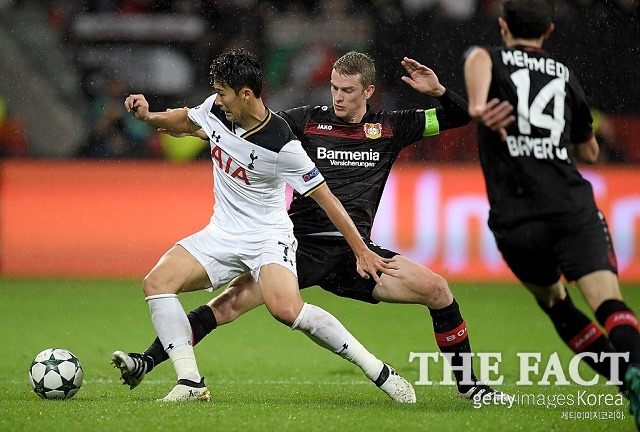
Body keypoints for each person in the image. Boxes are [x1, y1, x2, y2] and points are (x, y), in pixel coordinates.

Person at [113, 51, 514, 402]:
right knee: (229, 305)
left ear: (369, 92)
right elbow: (240, 130)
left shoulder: (392, 127)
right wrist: (169, 121)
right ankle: (151, 361)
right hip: (300, 247)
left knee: (437, 290)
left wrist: (440, 92)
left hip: (356, 253)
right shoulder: (303, 122)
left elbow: (462, 118)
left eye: (348, 91)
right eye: (334, 88)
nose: (338, 97)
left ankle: (470, 386)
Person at [463, 0, 640, 428]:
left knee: (556, 302)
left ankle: (624, 382)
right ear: (549, 31)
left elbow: (476, 57)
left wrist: (477, 107)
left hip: (517, 217)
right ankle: (635, 373)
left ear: (503, 25)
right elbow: (589, 151)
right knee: (610, 303)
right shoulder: (566, 76)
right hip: (570, 207)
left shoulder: (489, 58)